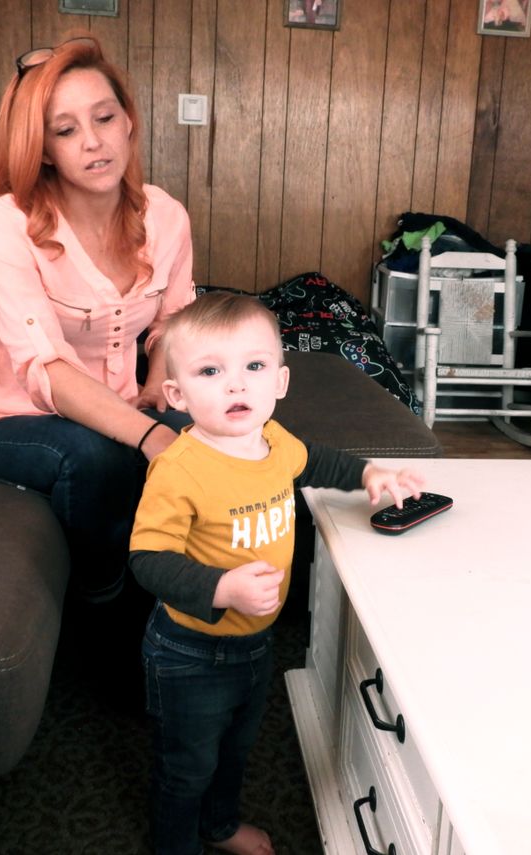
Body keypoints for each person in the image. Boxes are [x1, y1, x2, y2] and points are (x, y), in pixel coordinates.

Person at [128, 292, 425, 855]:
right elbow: (148, 558)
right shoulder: (179, 470)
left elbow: (316, 460)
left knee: (237, 751)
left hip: (254, 647)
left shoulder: (274, 441)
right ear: (177, 394)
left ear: (280, 383)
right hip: (189, 652)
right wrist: (221, 587)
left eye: (254, 367)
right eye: (211, 371)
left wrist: (369, 475)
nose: (236, 385)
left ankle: (217, 825)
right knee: (186, 766)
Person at [0, 34, 195, 611]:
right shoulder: (6, 223)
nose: (93, 142)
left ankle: (219, 605)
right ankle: (104, 603)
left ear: (128, 121)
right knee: (98, 456)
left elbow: (175, 319)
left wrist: (155, 393)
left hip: (124, 404)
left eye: (104, 118)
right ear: (42, 149)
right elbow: (47, 369)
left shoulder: (165, 215)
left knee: (220, 435)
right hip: (17, 419)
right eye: (65, 131)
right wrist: (147, 433)